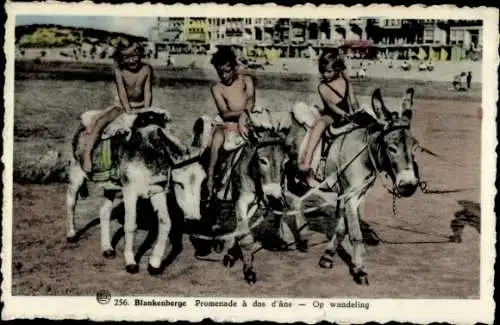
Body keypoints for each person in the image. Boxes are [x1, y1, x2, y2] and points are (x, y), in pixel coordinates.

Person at [83, 41, 153, 172]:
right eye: (126, 58)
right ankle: (88, 154)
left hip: (142, 106)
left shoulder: (146, 69)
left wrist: (146, 110)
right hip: (121, 105)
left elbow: (148, 91)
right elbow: (122, 92)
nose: (131, 60)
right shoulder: (119, 71)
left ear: (141, 55)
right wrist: (128, 110)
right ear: (121, 59)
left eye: (135, 56)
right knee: (100, 123)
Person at [299, 48, 361, 179]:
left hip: (346, 114)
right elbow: (330, 105)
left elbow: (353, 100)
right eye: (323, 72)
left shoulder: (345, 82)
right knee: (320, 124)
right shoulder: (322, 87)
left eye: (329, 71)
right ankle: (307, 159)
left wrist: (357, 111)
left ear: (337, 69)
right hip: (331, 115)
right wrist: (344, 114)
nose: (326, 75)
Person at [206, 47, 256, 197]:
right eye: (220, 72)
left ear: (234, 68)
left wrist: (244, 116)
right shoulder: (217, 88)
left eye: (227, 71)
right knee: (217, 139)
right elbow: (224, 113)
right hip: (228, 122)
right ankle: (210, 177)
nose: (224, 75)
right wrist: (241, 114)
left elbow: (251, 100)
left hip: (249, 118)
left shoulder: (246, 80)